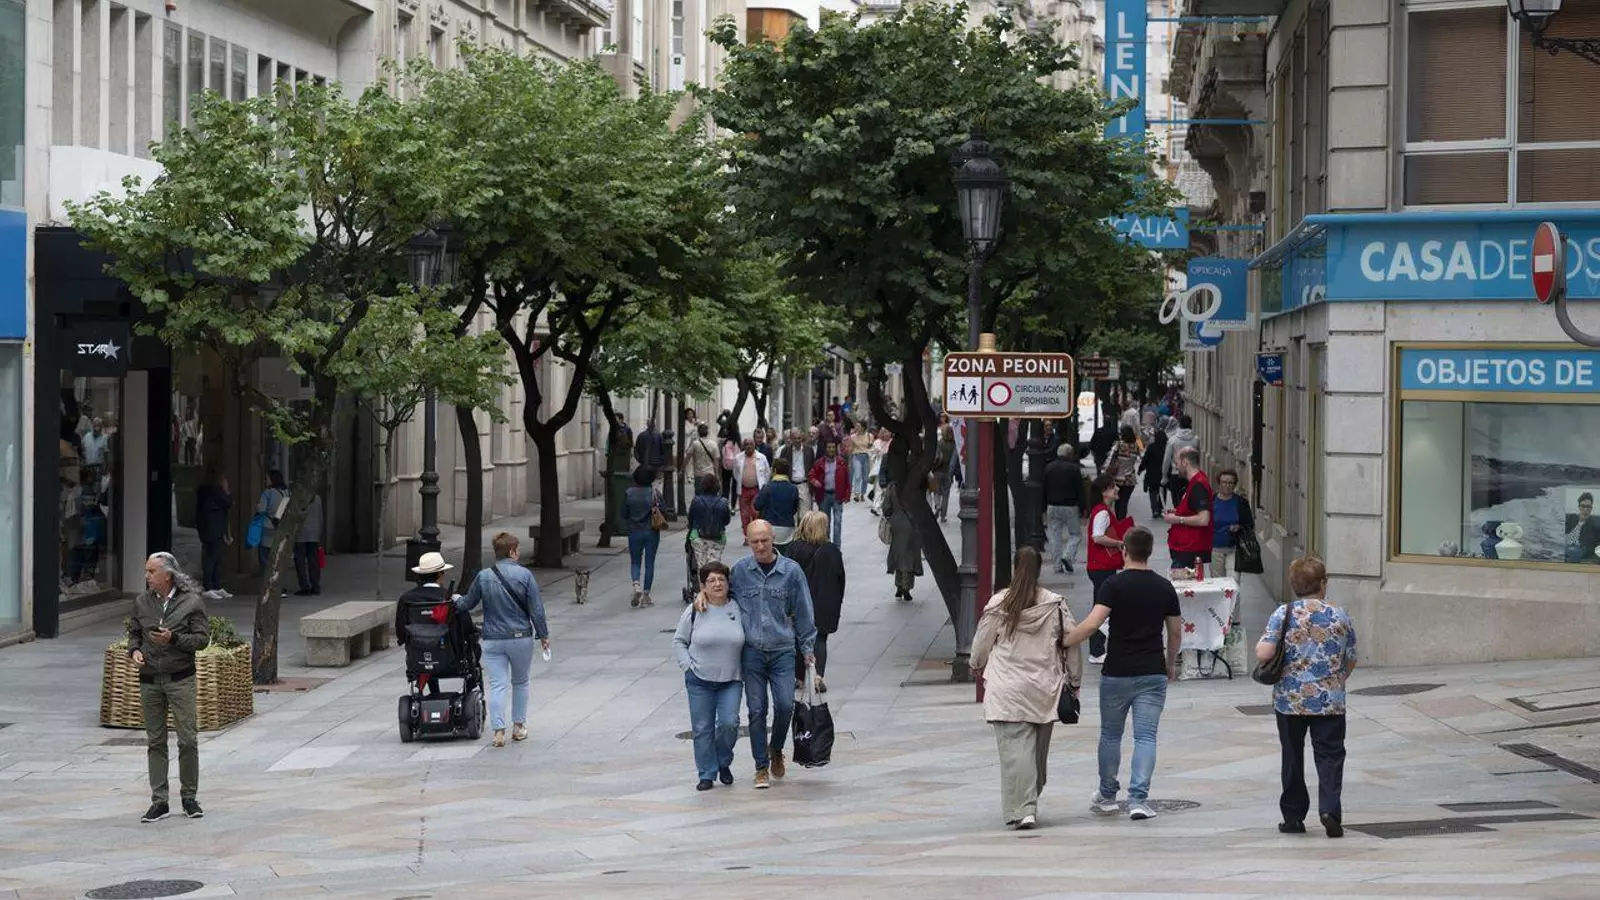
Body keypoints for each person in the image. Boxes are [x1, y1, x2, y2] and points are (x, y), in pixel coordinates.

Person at [1063, 526, 1181, 822]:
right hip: (1152, 670)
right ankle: (1139, 799)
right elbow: (1175, 632)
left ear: (1124, 551)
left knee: (1110, 734)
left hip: (1117, 670)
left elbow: (1093, 624)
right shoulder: (1164, 587)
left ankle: (1107, 794)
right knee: (1146, 737)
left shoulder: (1113, 585)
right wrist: (1170, 663)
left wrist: (1064, 641)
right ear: (1150, 552)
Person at [699, 520, 817, 789]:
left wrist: (808, 648)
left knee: (785, 705)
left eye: (764, 540)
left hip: (782, 649)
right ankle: (761, 766)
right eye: (755, 542)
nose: (760, 546)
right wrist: (702, 596)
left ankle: (776, 748)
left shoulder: (791, 571)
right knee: (756, 710)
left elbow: (804, 609)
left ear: (773, 538)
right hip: (752, 651)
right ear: (748, 541)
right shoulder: (741, 571)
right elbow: (721, 594)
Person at [971, 547, 1082, 830]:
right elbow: (1071, 642)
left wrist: (976, 663)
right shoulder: (1055, 605)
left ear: (1014, 567)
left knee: (1015, 752)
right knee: (1037, 755)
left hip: (1007, 687)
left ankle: (1024, 808)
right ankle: (1027, 803)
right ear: (1040, 570)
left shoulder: (999, 603)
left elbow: (982, 643)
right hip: (1045, 687)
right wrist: (1075, 680)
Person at [1256, 556, 1358, 838]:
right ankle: (1330, 810)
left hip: (1290, 699)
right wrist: (1337, 680)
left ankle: (1293, 816)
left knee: (1292, 755)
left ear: (1294, 585)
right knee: (1330, 755)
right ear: (1323, 583)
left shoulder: (1283, 613)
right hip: (1330, 699)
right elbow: (1351, 657)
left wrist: (1262, 646)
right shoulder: (1339, 615)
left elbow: (1265, 653)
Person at [127, 551, 210, 823]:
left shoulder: (191, 603)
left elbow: (202, 640)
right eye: (147, 571)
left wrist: (173, 639)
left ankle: (189, 797)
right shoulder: (142, 602)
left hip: (180, 678)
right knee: (155, 741)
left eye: (152, 572)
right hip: (150, 679)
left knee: (187, 740)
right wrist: (134, 651)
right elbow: (134, 633)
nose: (147, 576)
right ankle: (159, 801)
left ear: (168, 575)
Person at [455, 533, 549, 748]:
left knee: (497, 685)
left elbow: (467, 604)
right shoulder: (525, 575)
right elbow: (536, 609)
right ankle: (519, 727)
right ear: (512, 552)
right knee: (521, 682)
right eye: (517, 550)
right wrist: (543, 635)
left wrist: (456, 600)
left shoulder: (484, 576)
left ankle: (498, 731)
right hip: (520, 637)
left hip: (493, 639)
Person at [674, 561, 743, 791]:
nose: (717, 584)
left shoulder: (738, 607)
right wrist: (687, 666)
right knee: (702, 728)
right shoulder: (695, 610)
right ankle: (706, 773)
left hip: (731, 679)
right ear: (703, 586)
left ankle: (723, 761)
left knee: (729, 724)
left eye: (721, 579)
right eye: (711, 580)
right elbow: (679, 641)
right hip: (699, 680)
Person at [787, 511, 845, 693]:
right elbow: (840, 578)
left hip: (799, 602)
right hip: (824, 602)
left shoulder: (794, 548)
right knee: (820, 639)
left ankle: (798, 677)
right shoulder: (831, 550)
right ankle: (817, 676)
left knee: (798, 639)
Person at [1085, 474, 1127, 664]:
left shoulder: (1102, 511)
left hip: (1100, 566)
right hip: (1101, 566)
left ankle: (1098, 649)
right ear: (1104, 492)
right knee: (1101, 608)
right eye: (1112, 487)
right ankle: (1096, 651)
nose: (1117, 489)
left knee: (1102, 606)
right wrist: (1119, 542)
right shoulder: (1102, 513)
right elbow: (1098, 537)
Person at [1163, 447, 1214, 574]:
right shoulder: (1195, 482)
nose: (1176, 467)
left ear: (1185, 462)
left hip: (1190, 549)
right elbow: (1192, 509)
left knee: (1182, 583)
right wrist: (1177, 511)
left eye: (1177, 463)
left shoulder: (1198, 485)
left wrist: (1177, 519)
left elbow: (1203, 519)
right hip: (1187, 548)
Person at [623, 467, 663, 607]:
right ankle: (646, 594)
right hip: (652, 531)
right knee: (649, 563)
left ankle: (636, 584)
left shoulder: (629, 493)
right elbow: (664, 511)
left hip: (634, 531)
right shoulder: (655, 493)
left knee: (635, 561)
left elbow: (624, 513)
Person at [1042, 445, 1084, 574]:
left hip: (1052, 505)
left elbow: (1044, 488)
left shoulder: (1049, 467)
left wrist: (1043, 507)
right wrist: (1083, 507)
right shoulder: (1074, 468)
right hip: (1070, 505)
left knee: (1054, 536)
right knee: (1075, 534)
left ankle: (1057, 565)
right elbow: (1079, 489)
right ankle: (1067, 556)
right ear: (1070, 454)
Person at [194, 465, 232, 600]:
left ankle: (215, 585)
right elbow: (228, 502)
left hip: (211, 528)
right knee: (212, 558)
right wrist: (227, 491)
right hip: (213, 529)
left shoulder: (204, 491)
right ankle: (209, 586)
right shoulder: (214, 491)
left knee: (215, 557)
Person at [883, 477, 923, 602]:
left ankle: (899, 585)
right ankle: (906, 587)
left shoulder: (892, 486)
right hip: (911, 523)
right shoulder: (913, 484)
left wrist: (891, 517)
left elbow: (886, 507)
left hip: (897, 523)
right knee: (909, 556)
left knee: (898, 554)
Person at [1210, 469, 1255, 577]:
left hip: (1235, 548)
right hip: (1215, 548)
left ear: (1235, 485)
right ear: (1219, 483)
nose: (1227, 485)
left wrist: (1239, 527)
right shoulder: (1211, 501)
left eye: (1231, 483)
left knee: (1234, 579)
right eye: (1224, 482)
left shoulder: (1241, 503)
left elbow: (1249, 525)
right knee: (1218, 581)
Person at [687, 474, 733, 575]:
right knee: (714, 566)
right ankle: (713, 581)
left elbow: (690, 520)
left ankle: (703, 584)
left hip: (698, 537)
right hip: (718, 537)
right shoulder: (723, 502)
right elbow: (726, 521)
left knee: (701, 566)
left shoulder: (696, 501)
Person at [808, 439, 850, 545]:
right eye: (829, 447)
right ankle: (826, 545)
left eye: (833, 447)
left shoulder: (841, 462)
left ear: (836, 448)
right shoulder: (819, 463)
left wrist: (847, 494)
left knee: (838, 522)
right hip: (824, 495)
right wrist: (814, 481)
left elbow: (847, 478)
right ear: (825, 449)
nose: (831, 449)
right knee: (825, 523)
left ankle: (836, 547)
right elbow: (811, 475)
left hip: (837, 495)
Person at [755, 457, 803, 550]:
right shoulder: (793, 489)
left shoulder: (767, 487)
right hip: (788, 529)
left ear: (774, 471)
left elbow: (757, 505)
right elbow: (794, 509)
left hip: (769, 527)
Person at [255, 470, 290, 586]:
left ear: (272, 479)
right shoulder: (286, 493)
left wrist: (257, 505)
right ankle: (280, 586)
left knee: (265, 560)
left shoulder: (268, 493)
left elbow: (261, 509)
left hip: (267, 530)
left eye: (267, 478)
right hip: (280, 529)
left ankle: (268, 585)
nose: (265, 480)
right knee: (278, 561)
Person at [734, 438, 770, 541]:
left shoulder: (761, 457)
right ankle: (747, 536)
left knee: (755, 513)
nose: (749, 446)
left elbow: (767, 473)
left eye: (751, 444)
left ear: (754, 445)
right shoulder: (738, 458)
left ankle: (755, 535)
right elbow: (736, 473)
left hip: (756, 490)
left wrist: (763, 486)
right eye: (746, 444)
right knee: (744, 515)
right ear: (743, 446)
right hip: (743, 490)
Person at [1161, 414, 1200, 509]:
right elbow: (1197, 458)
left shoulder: (1172, 440)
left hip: (1176, 474)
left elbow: (1166, 460)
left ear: (1180, 425)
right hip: (1191, 474)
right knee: (1190, 501)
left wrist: (1164, 476)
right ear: (1191, 424)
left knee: (1177, 502)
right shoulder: (1196, 440)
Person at [292, 491, 324, 596]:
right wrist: (319, 531)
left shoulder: (298, 498)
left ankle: (304, 586)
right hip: (314, 533)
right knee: (314, 561)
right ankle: (315, 586)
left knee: (300, 561)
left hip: (300, 533)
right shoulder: (317, 498)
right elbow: (320, 516)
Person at [1107, 425, 1141, 519]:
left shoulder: (1118, 444)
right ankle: (1122, 520)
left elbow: (1109, 459)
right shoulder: (1136, 445)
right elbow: (1138, 457)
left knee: (1117, 501)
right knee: (1124, 501)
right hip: (1130, 479)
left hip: (1117, 478)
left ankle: (1119, 520)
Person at [1140, 418, 1169, 519]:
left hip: (1151, 474)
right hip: (1163, 473)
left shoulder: (1151, 447)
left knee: (1152, 492)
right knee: (1163, 491)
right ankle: (1161, 508)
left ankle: (1154, 509)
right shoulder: (1166, 447)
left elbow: (1145, 459)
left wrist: (1140, 469)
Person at [783, 429, 818, 512]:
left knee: (805, 514)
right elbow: (782, 467)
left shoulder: (809, 450)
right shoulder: (786, 451)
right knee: (791, 513)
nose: (797, 441)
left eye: (799, 438)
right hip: (791, 485)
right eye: (795, 439)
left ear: (802, 437)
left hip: (804, 485)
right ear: (791, 439)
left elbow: (813, 467)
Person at [930, 424, 956, 523]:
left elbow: (935, 457)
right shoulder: (954, 444)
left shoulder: (939, 443)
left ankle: (937, 505)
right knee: (946, 494)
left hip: (937, 471)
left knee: (936, 491)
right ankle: (943, 516)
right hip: (947, 472)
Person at [1565, 492, 1600, 563]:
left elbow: (1598, 550)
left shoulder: (1595, 527)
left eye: (1588, 507)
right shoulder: (1571, 519)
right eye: (1583, 506)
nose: (1585, 509)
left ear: (1591, 508)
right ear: (1579, 507)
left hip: (1585, 561)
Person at [848, 421, 873, 502]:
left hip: (866, 456)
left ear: (863, 427)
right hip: (856, 456)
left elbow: (871, 447)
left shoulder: (869, 436)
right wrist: (849, 461)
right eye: (856, 426)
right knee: (857, 475)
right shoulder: (853, 437)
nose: (856, 428)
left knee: (865, 477)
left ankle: (863, 493)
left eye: (858, 426)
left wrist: (871, 445)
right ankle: (857, 494)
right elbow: (851, 449)